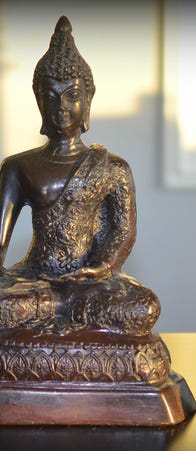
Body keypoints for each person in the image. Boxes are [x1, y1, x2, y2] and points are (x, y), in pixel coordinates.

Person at [0, 16, 159, 336]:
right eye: (50, 95)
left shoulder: (113, 168)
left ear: (88, 98)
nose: (61, 106)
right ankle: (62, 313)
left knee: (144, 307)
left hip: (89, 285)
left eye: (72, 95)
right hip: (34, 281)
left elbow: (123, 233)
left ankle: (61, 312)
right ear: (38, 100)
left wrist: (100, 268)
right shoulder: (17, 167)